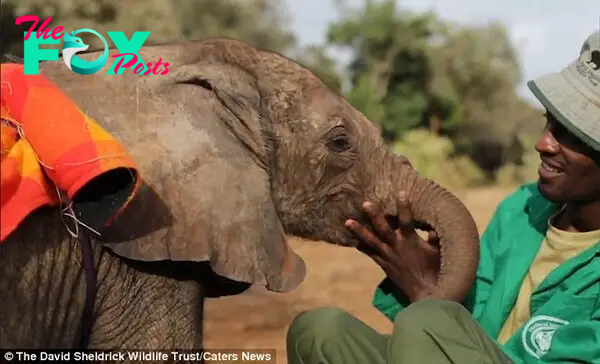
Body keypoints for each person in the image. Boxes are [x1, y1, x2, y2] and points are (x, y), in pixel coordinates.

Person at [286, 30, 600, 364]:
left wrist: (430, 304)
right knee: (320, 332)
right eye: (549, 122)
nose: (544, 144)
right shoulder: (522, 211)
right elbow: (471, 334)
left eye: (574, 134)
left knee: (426, 322)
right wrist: (435, 285)